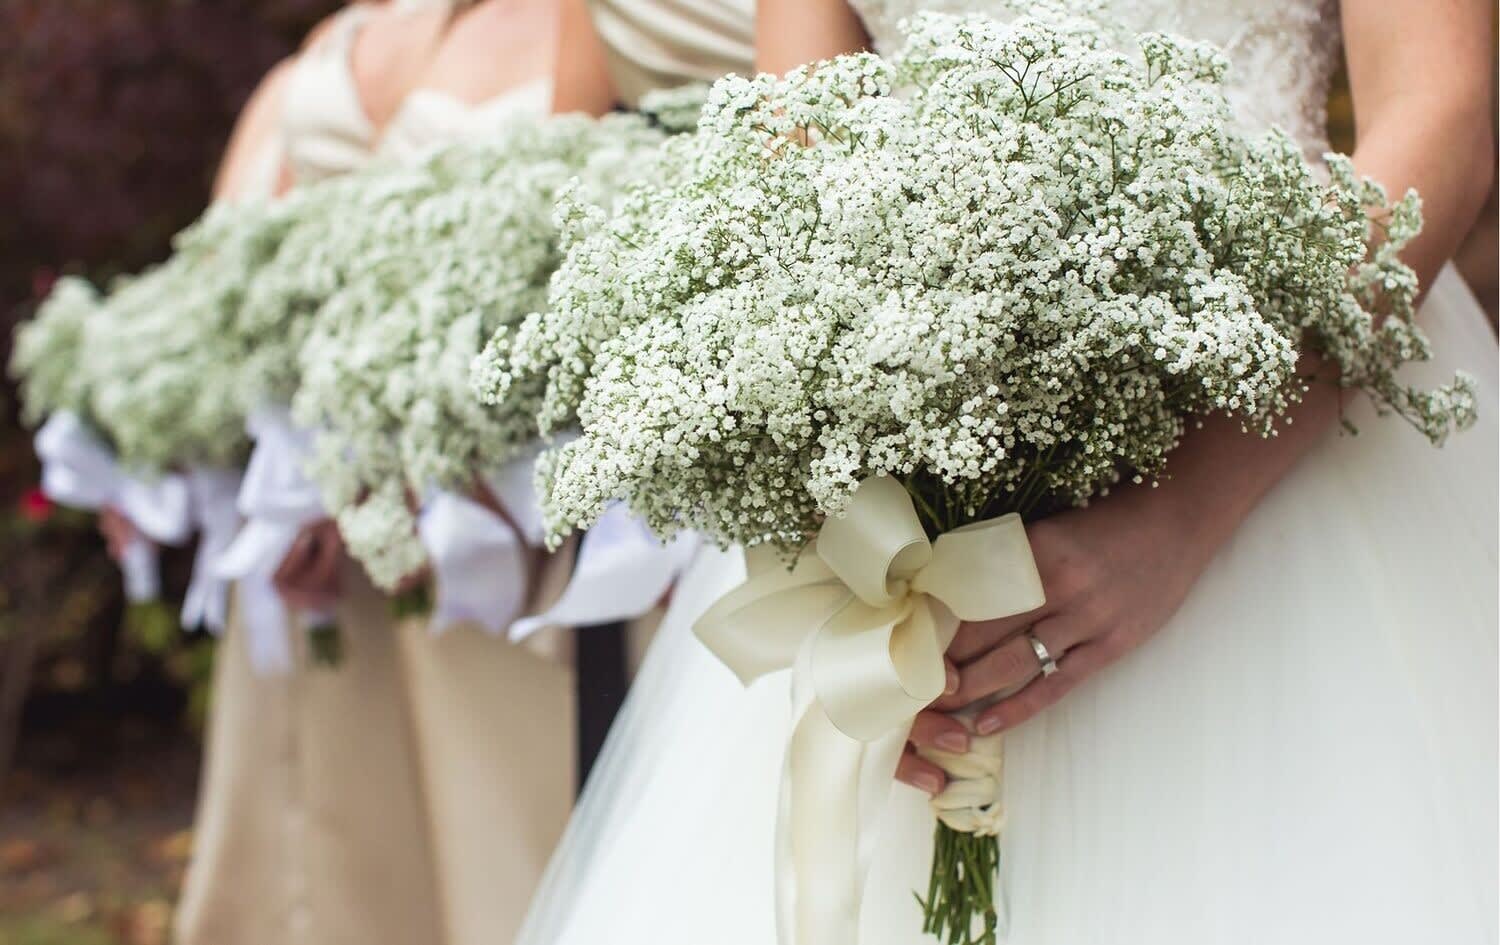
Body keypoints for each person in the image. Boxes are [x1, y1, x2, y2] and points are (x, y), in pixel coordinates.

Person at [516, 1, 1499, 944]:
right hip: (917, 409)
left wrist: (1187, 510)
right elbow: (795, 148)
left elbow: (1438, 113)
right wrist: (859, 547)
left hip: (1289, 433)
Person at [171, 8, 448, 944]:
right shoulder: (322, 57)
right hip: (328, 503)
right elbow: (219, 285)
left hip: (465, 516)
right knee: (319, 822)